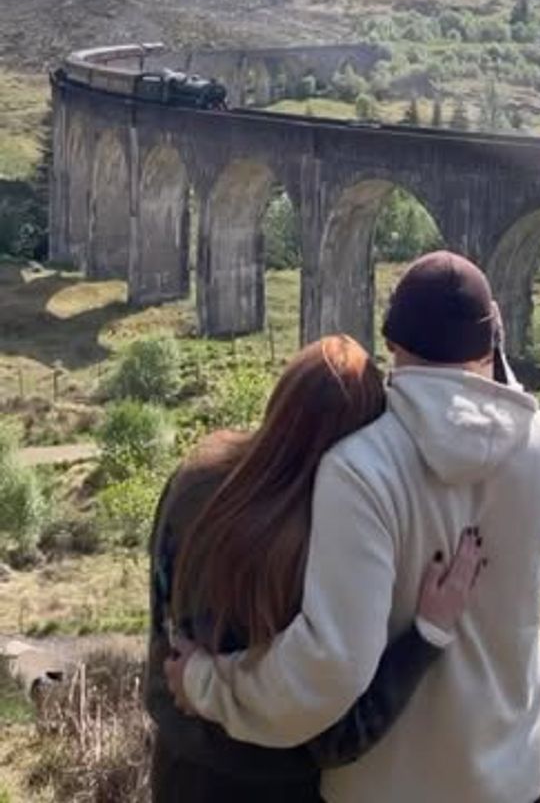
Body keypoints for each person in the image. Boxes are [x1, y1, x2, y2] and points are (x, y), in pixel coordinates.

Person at [168, 253, 540, 803]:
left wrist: (207, 685)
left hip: (390, 786)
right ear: (491, 339)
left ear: (392, 342)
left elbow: (331, 665)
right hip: (516, 776)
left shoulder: (361, 467)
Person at [147, 333, 484, 802]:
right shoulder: (324, 540)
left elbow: (163, 624)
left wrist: (189, 686)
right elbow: (336, 734)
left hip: (181, 768)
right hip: (278, 786)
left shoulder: (194, 479)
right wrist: (427, 637)